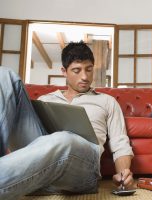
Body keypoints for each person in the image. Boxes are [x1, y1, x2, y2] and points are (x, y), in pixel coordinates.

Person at [0, 41, 134, 200]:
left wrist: (123, 174)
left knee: (64, 138)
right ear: (64, 71)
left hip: (83, 169)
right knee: (5, 75)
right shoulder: (45, 99)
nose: (85, 77)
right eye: (77, 70)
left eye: (89, 69)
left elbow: (120, 144)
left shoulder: (107, 101)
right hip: (42, 162)